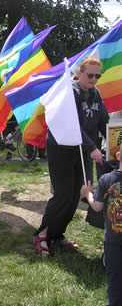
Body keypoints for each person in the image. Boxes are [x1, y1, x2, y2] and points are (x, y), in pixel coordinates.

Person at [33, 58, 109, 256]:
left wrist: (114, 139)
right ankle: (42, 234)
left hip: (82, 151)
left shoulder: (95, 93)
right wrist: (93, 147)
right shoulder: (70, 92)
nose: (94, 79)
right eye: (90, 75)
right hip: (62, 149)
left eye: (97, 75)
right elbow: (72, 125)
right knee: (63, 194)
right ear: (79, 73)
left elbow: (103, 121)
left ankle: (57, 235)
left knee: (77, 194)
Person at [80, 147, 122, 306]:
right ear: (116, 155)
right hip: (112, 241)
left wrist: (87, 193)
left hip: (113, 241)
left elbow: (96, 207)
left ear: (118, 156)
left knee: (115, 279)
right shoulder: (106, 180)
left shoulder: (106, 179)